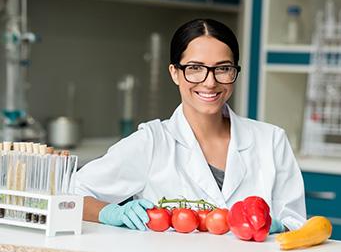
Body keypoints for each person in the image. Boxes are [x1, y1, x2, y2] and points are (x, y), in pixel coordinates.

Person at [74, 18, 306, 233]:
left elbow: (295, 223)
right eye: (195, 68)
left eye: (223, 68)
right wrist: (109, 212)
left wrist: (278, 227)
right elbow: (70, 192)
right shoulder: (152, 142)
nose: (210, 82)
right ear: (175, 73)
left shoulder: (271, 141)